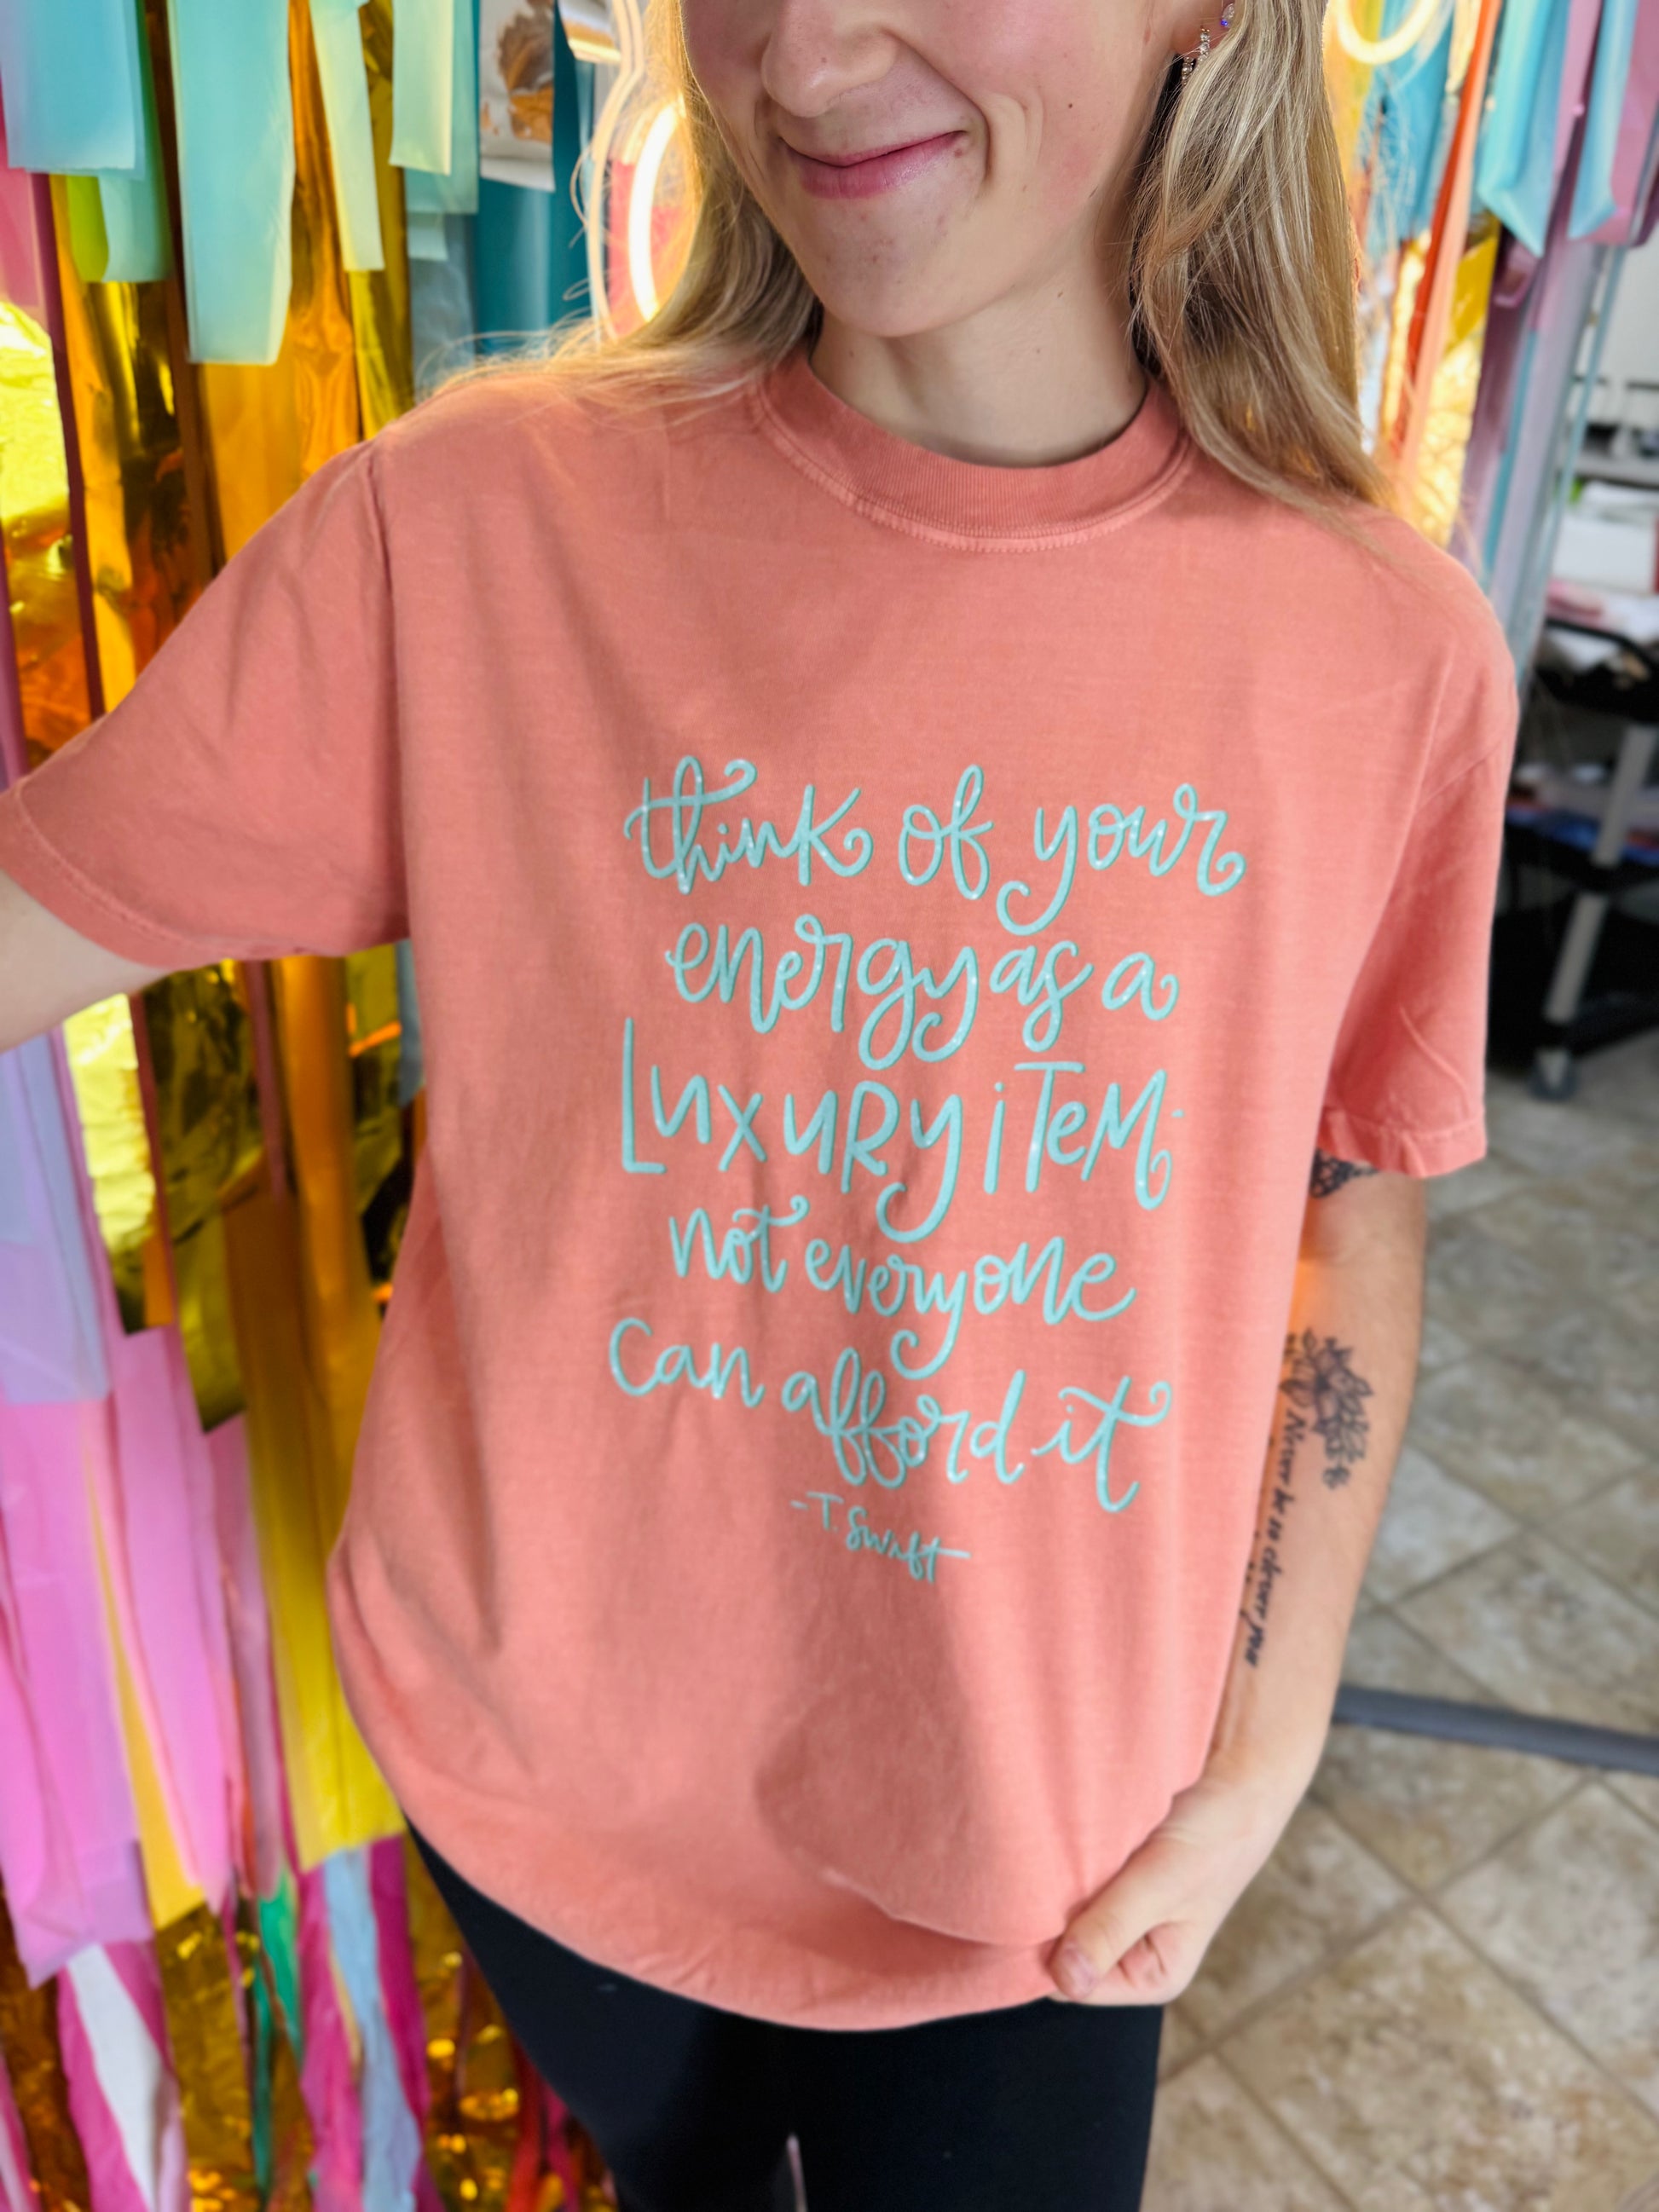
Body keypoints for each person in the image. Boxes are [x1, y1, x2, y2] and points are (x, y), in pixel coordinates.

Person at [0, 0, 1517, 2203]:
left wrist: (1264, 1749)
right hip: (536, 1793)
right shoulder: (473, 529)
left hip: (1041, 1868)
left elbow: (1343, 1195)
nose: (800, 56)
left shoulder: (1385, 656)